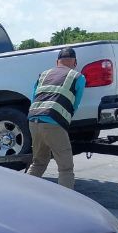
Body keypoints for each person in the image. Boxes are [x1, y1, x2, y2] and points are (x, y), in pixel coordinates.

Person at [26, 46, 85, 189]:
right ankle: (67, 204)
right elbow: (75, 105)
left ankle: (24, 193)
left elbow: (34, 96)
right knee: (65, 167)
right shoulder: (78, 77)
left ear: (57, 61)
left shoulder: (43, 75)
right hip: (53, 122)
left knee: (38, 162)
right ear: (75, 63)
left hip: (33, 120)